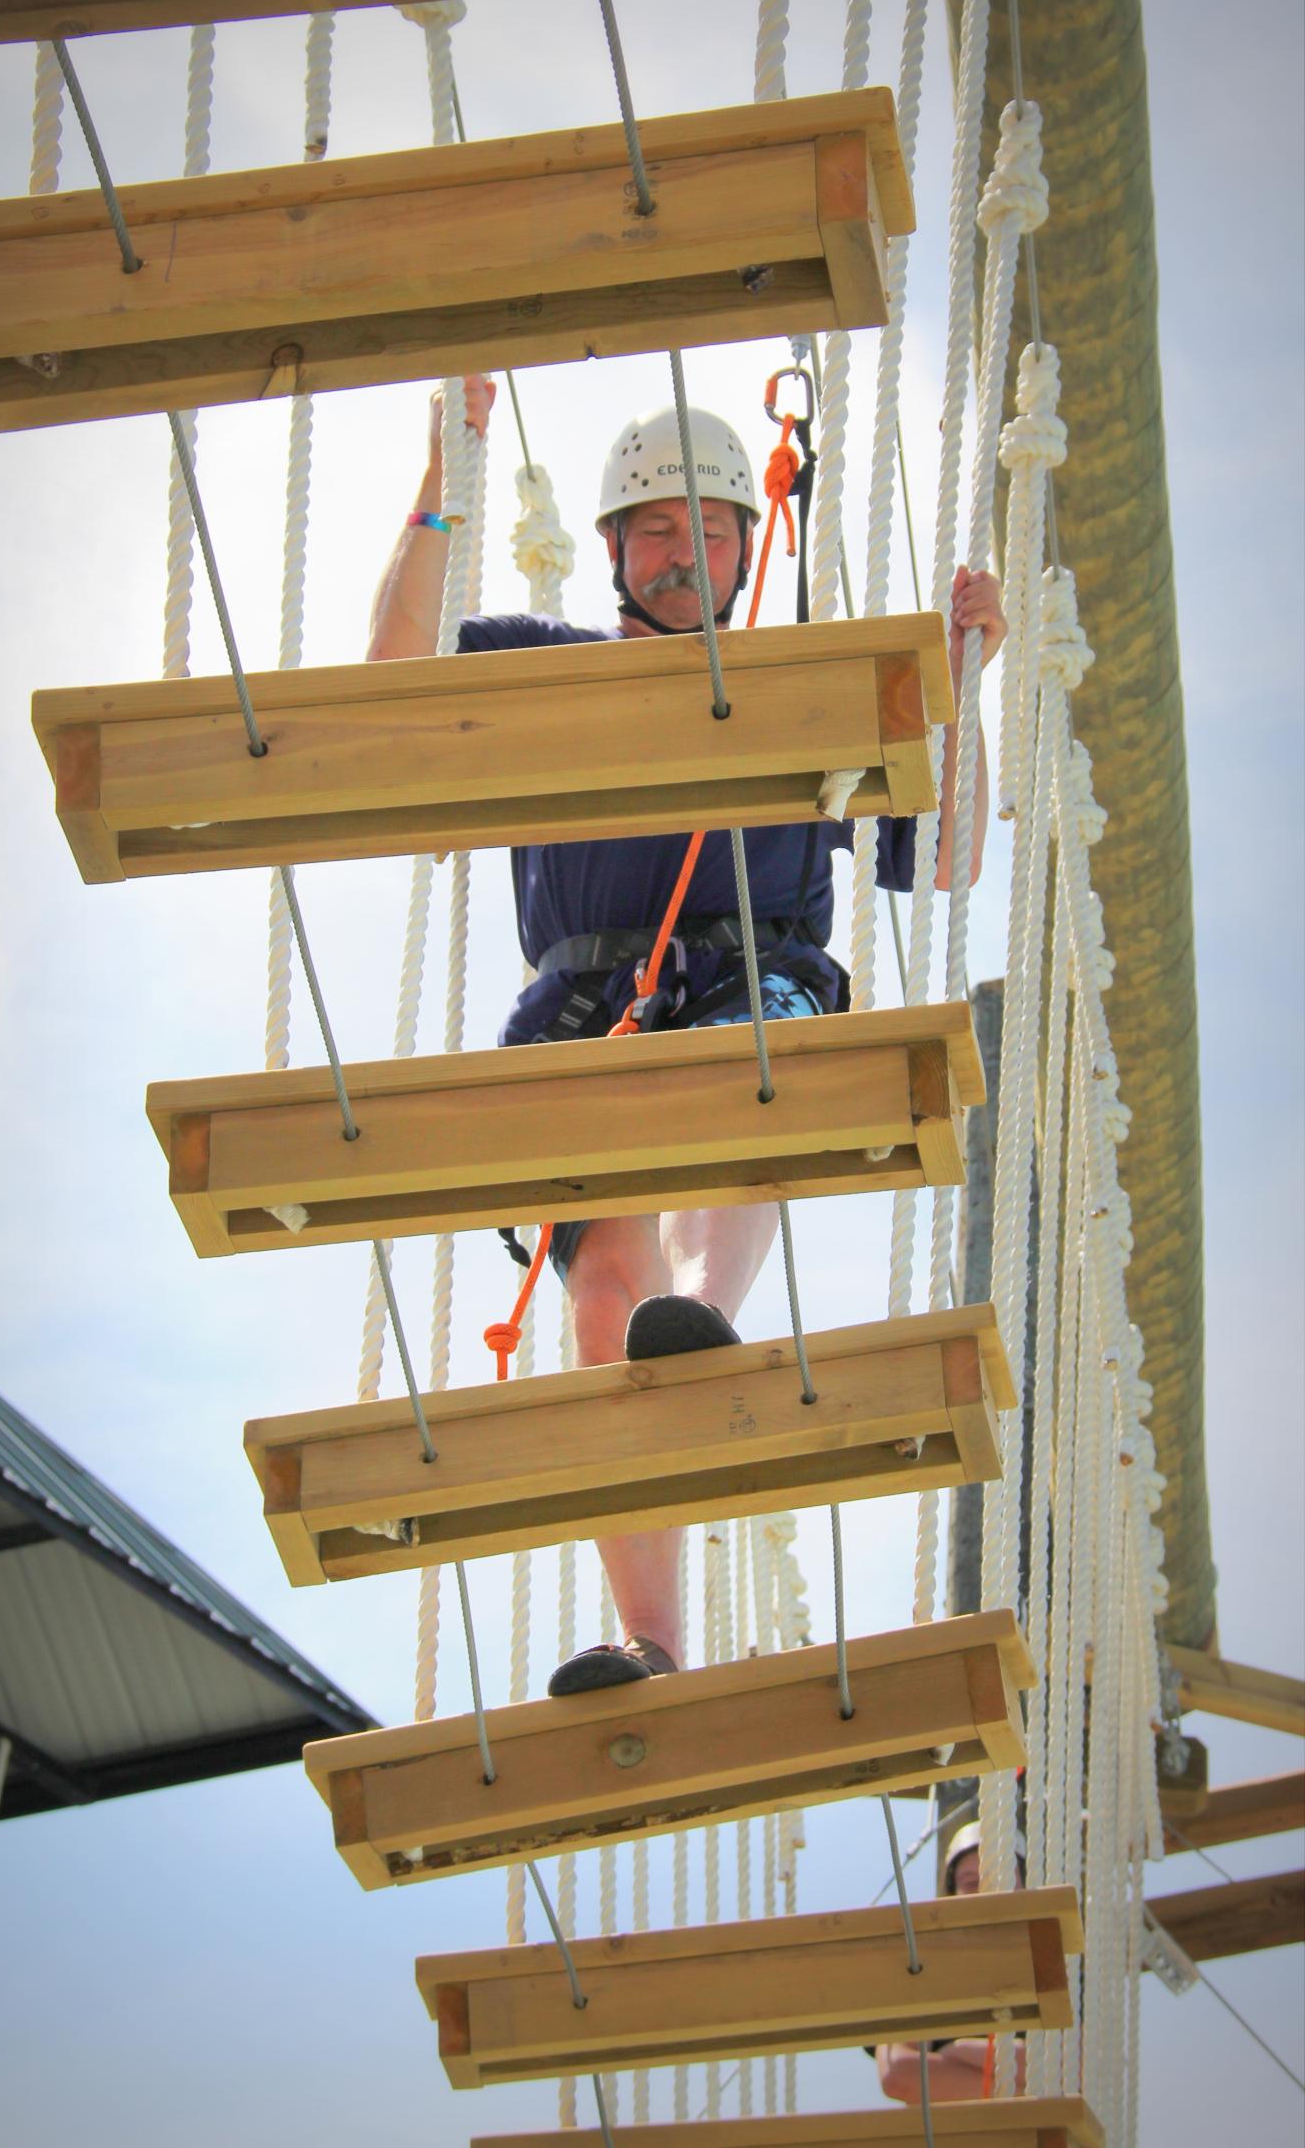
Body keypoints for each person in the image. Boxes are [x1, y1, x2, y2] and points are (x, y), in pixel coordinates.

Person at [369, 373, 1006, 1696]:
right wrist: (444, 479)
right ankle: (653, 1641)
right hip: (587, 1015)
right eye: (654, 530)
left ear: (745, 548)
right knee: (603, 1294)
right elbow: (389, 686)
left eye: (708, 530)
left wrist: (966, 682)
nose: (681, 553)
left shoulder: (803, 692)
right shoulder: (541, 666)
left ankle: (701, 1315)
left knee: (745, 1084)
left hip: (755, 987)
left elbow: (942, 853)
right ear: (612, 549)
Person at [872, 1817, 1029, 2103]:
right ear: (953, 1895)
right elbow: (899, 2074)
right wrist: (1020, 2088)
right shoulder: (924, 1972)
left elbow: (1080, 2065)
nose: (986, 1891)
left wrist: (959, 2051)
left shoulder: (1060, 1965)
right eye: (971, 1883)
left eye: (1002, 1878)